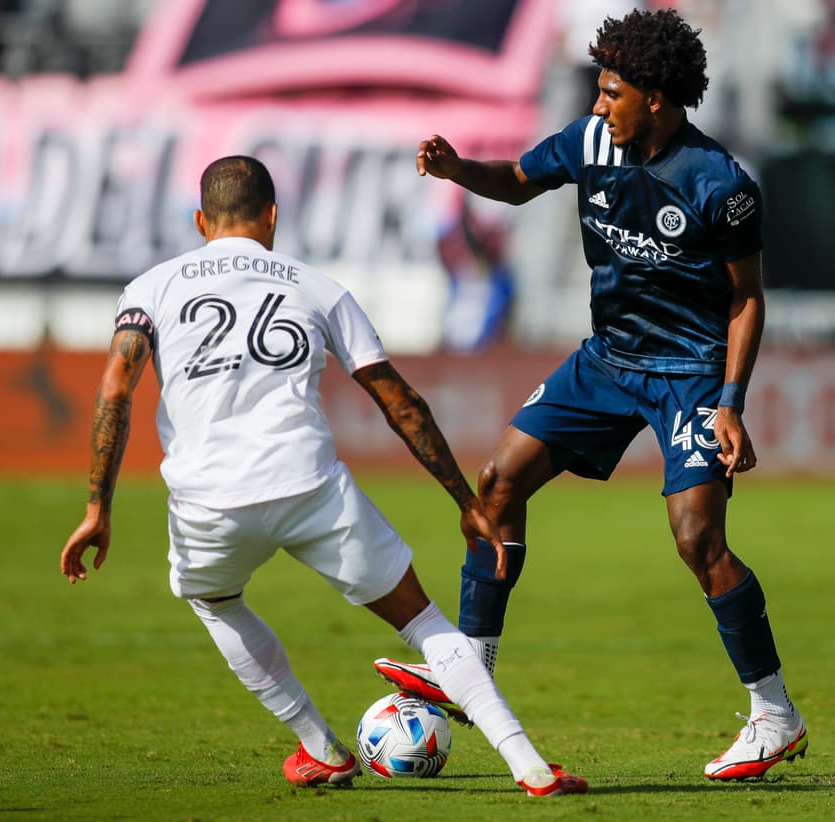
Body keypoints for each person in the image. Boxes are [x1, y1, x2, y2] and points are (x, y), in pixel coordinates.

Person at [59, 156, 587, 797]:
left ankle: (320, 747)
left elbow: (116, 387)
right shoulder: (317, 286)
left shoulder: (151, 288)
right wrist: (462, 500)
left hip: (207, 501)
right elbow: (398, 399)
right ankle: (529, 765)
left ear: (201, 221)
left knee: (216, 600)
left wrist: (97, 507)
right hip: (310, 486)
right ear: (273, 215)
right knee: (424, 622)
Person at [374, 8, 807, 781]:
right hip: (607, 360)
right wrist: (455, 170)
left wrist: (731, 400)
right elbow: (514, 183)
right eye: (599, 90)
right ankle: (471, 667)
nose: (600, 104)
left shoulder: (721, 185)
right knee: (498, 482)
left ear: (657, 98)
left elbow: (747, 298)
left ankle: (775, 714)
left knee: (697, 542)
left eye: (612, 92)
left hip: (691, 371)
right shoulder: (588, 142)